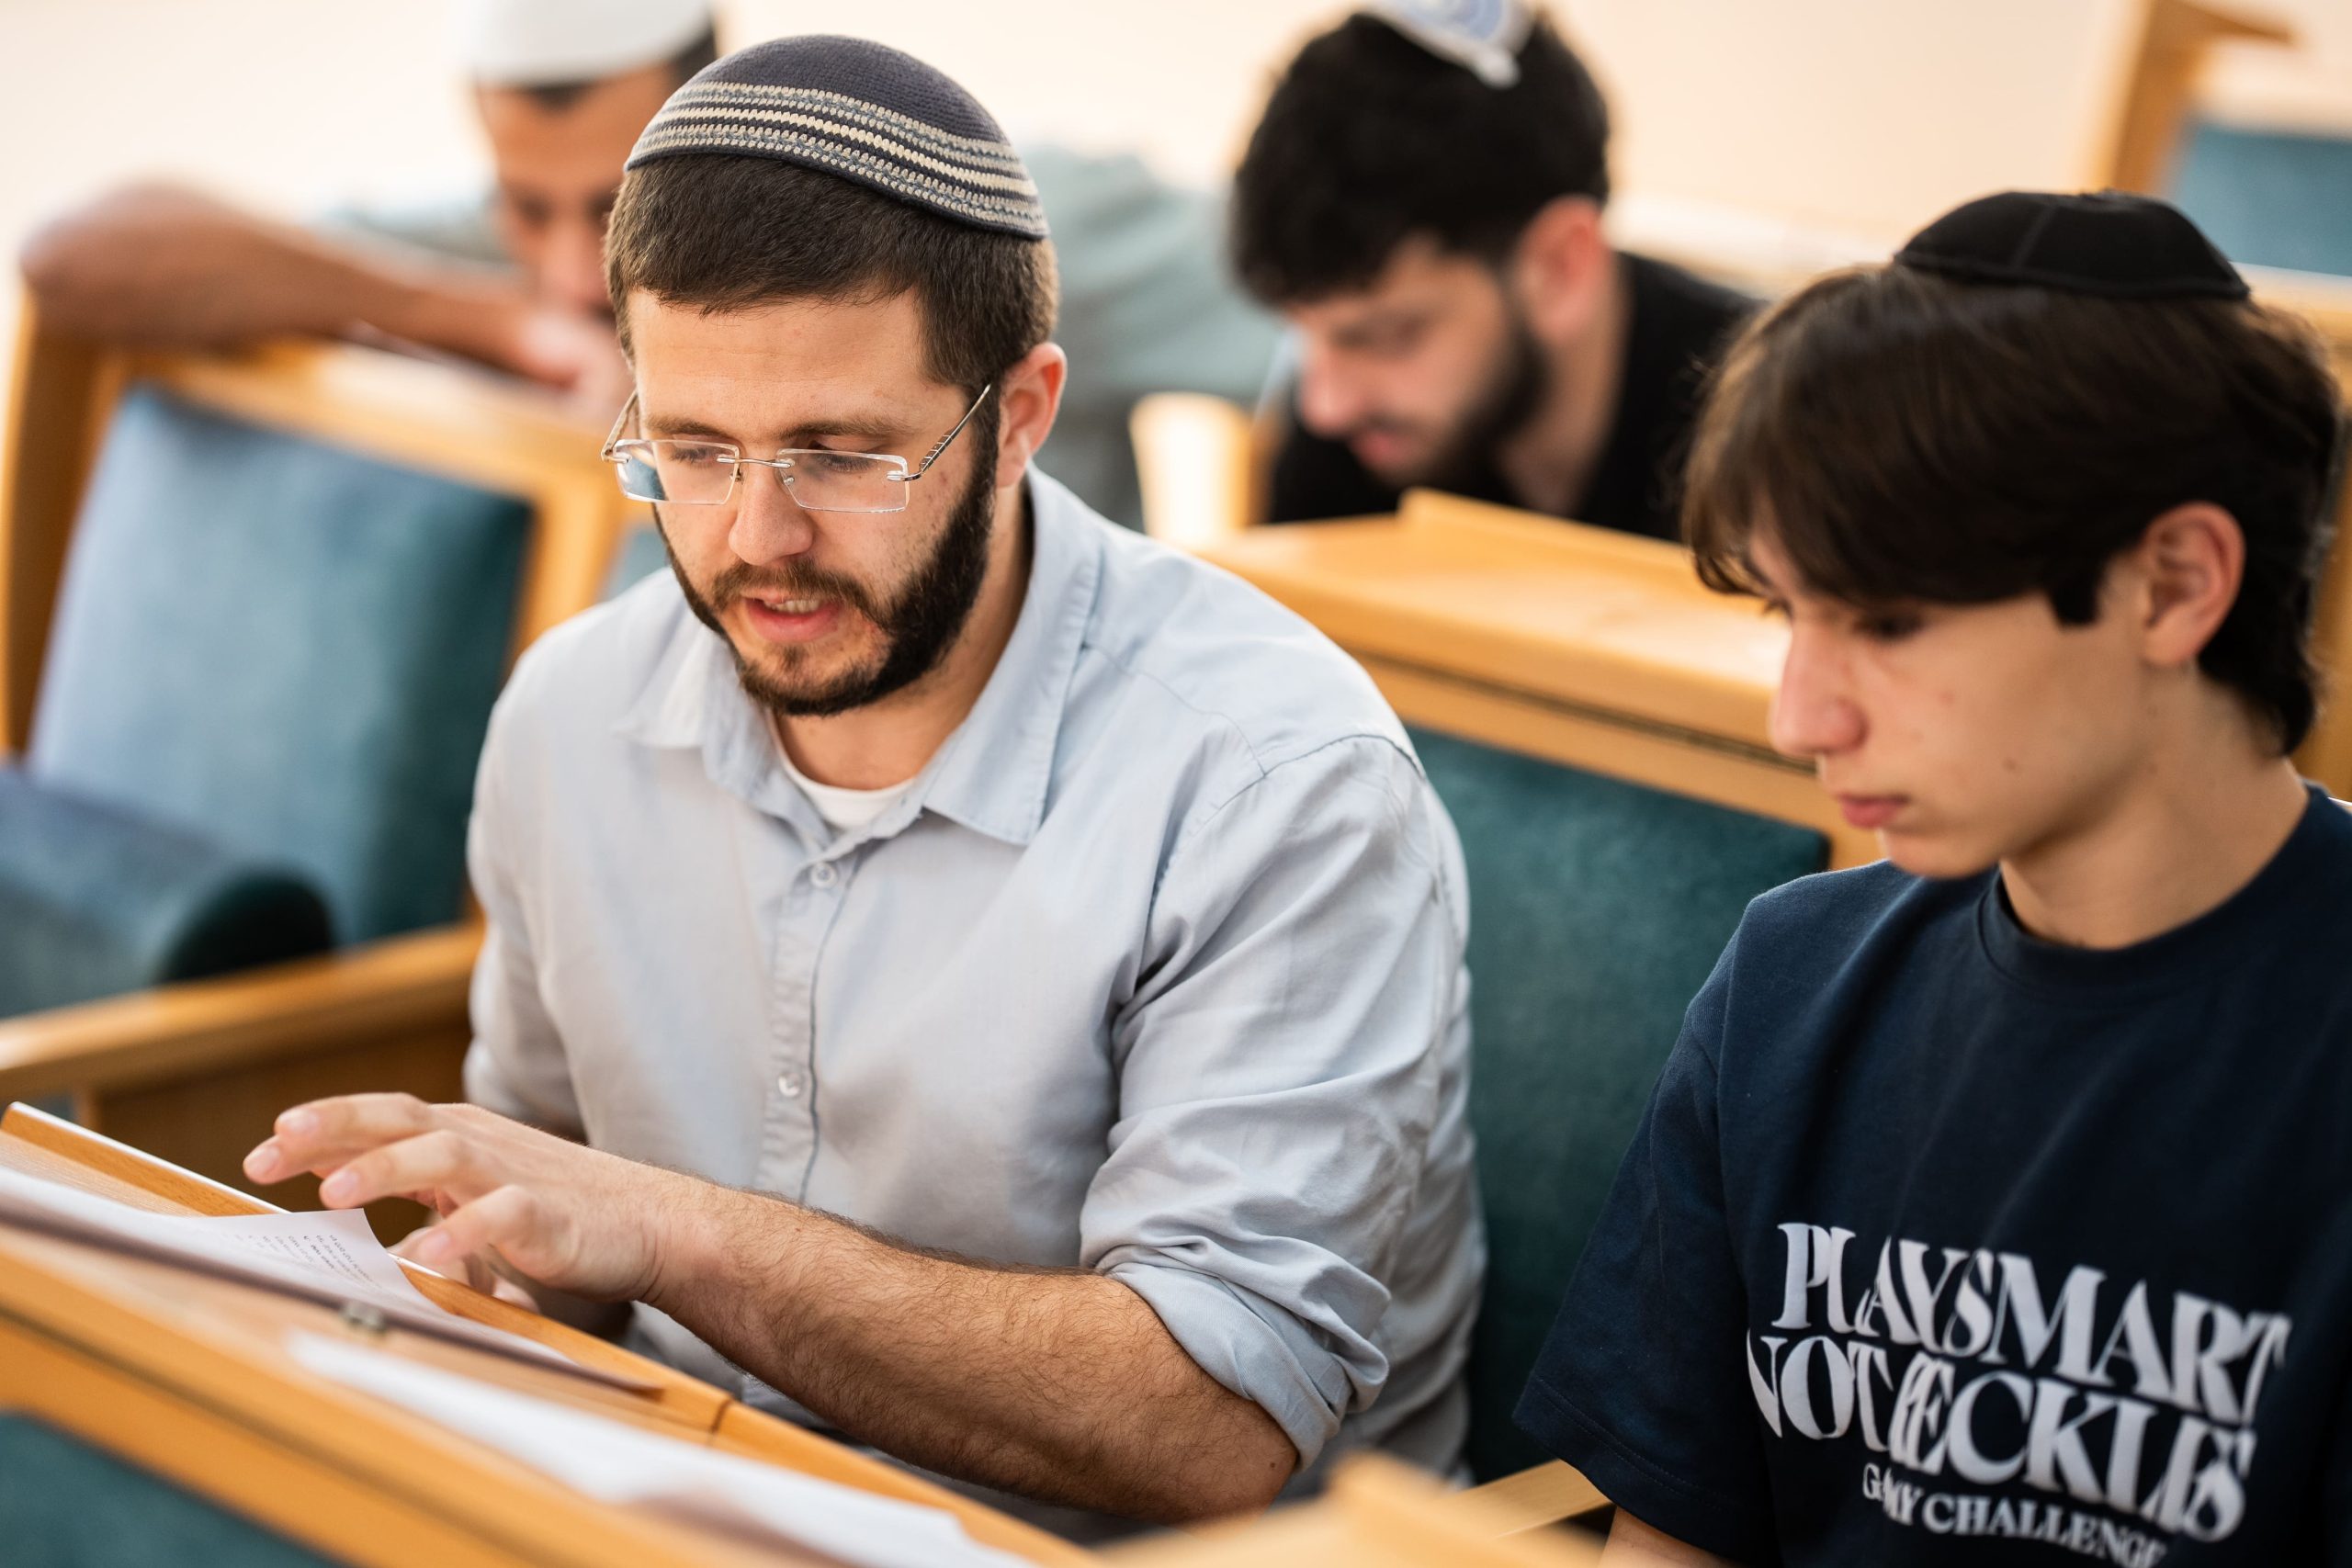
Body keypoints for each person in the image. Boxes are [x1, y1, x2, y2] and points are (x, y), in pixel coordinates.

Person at [239, 35, 1481, 1535]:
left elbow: (1209, 1421)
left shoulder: (1277, 784)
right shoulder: (571, 714)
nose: (757, 536)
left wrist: (676, 1235)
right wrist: (426, 1292)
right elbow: (551, 1240)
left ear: (1023, 414)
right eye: (694, 449)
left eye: (840, 455)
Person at [1514, 191, 2351, 1564]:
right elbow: (1670, 1537)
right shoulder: (1788, 983)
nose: (1801, 715)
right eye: (1792, 613)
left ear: (2172, 583)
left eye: (1891, 621)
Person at [20, 0, 717, 414]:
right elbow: (64, 257)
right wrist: (499, 323)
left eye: (618, 208)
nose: (574, 276)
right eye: (527, 209)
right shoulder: (449, 250)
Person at [1229, 1, 1753, 536]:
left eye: (1389, 336)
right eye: (1304, 336)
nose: (1326, 407)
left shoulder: (1766, 435)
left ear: (1560, 267)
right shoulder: (1353, 443)